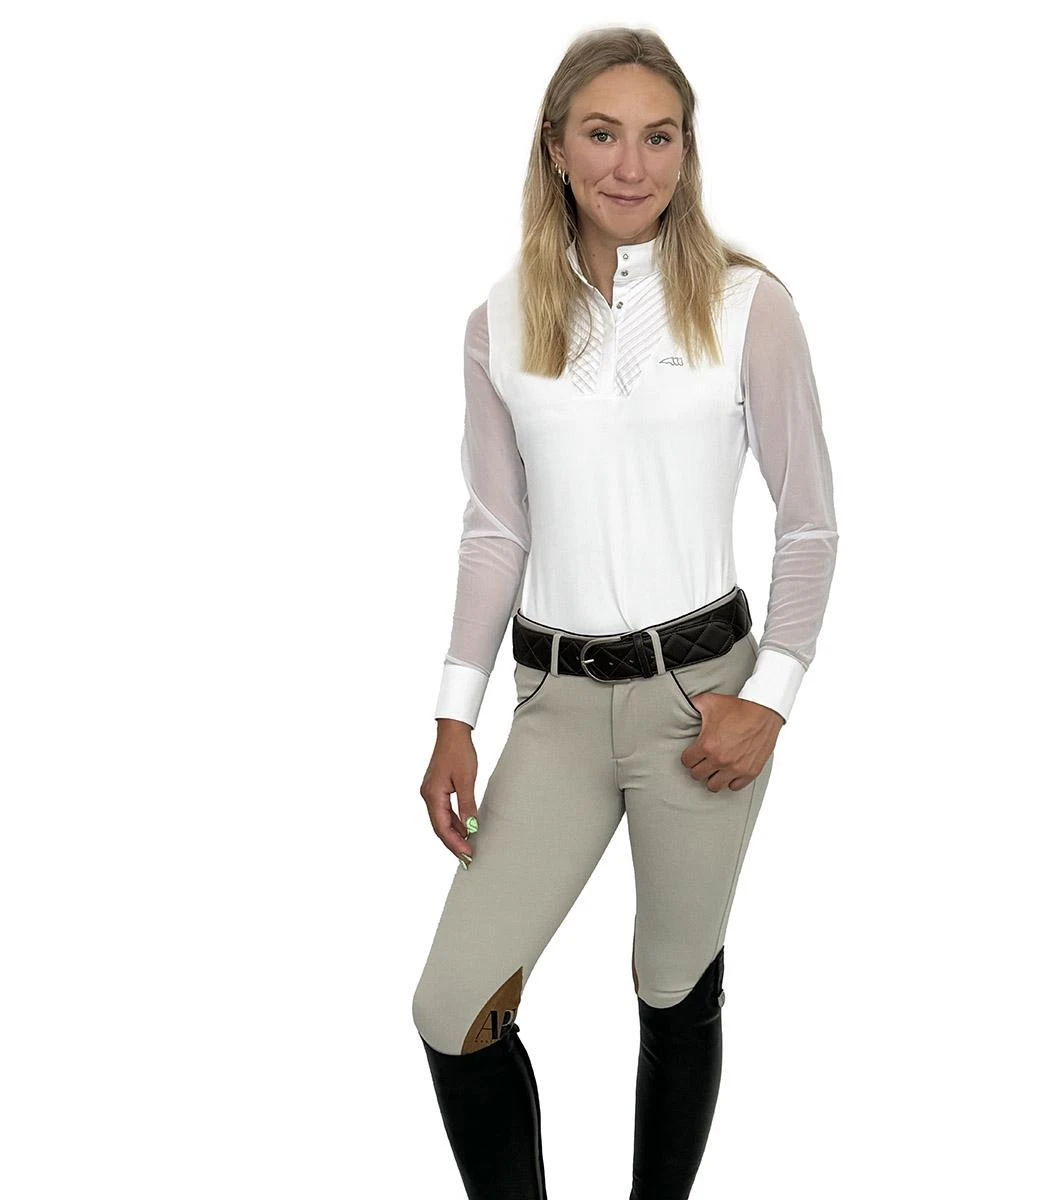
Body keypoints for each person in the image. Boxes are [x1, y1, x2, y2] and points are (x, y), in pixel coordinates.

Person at [411, 26, 839, 1200]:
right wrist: (454, 713)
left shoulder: (749, 307)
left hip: (703, 705)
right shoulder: (500, 321)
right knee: (452, 1008)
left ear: (687, 152)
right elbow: (495, 529)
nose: (631, 165)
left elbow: (809, 523)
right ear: (555, 147)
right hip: (552, 707)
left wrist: (770, 700)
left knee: (672, 987)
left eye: (660, 137)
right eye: (603, 134)